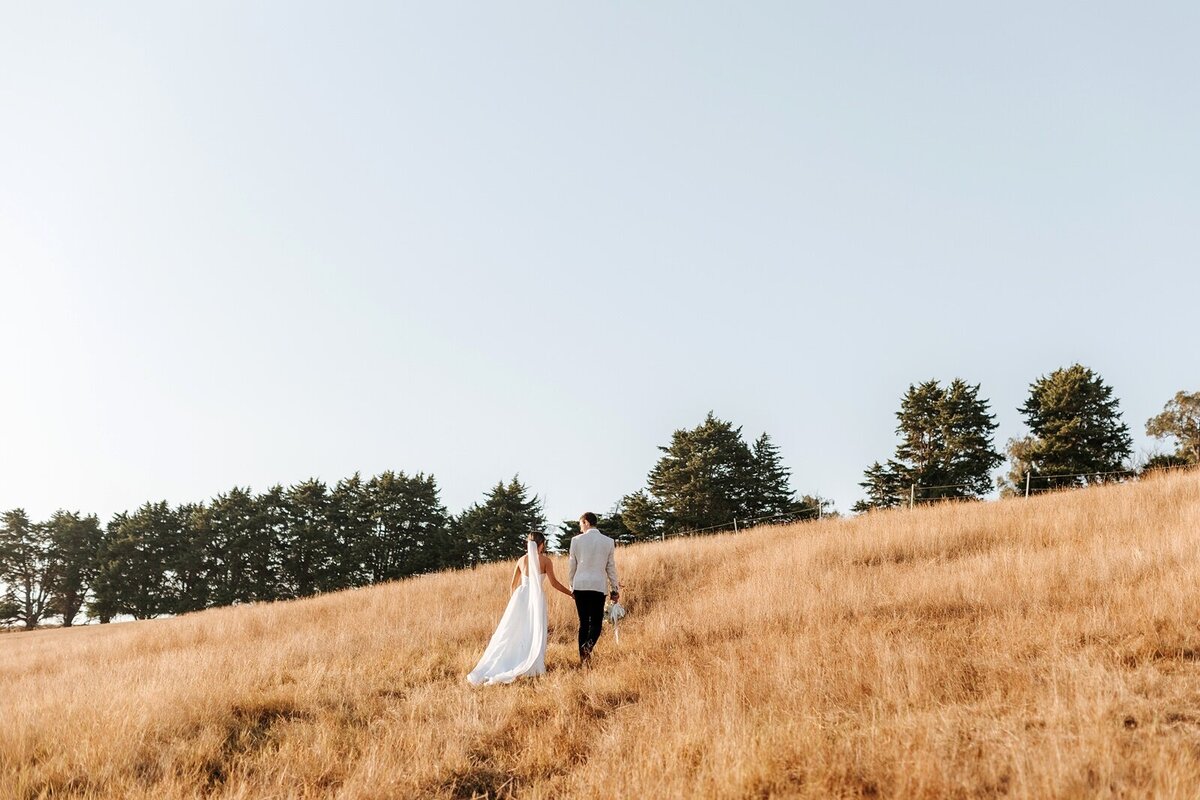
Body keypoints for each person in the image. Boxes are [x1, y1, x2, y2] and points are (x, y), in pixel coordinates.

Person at [467, 531, 573, 686]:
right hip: (536, 599)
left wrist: (514, 603)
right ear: (541, 544)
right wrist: (571, 594)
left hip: (520, 598)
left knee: (513, 631)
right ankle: (531, 664)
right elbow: (554, 583)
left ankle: (508, 660)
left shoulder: (521, 560)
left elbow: (512, 584)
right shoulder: (545, 561)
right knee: (534, 630)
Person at [568, 512, 620, 664]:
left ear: (586, 522)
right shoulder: (608, 542)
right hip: (598, 586)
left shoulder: (575, 541)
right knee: (596, 623)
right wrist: (614, 589)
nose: (580, 528)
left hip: (580, 585)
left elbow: (572, 565)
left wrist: (572, 586)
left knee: (583, 622)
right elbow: (611, 567)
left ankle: (583, 659)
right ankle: (587, 648)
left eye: (581, 525)